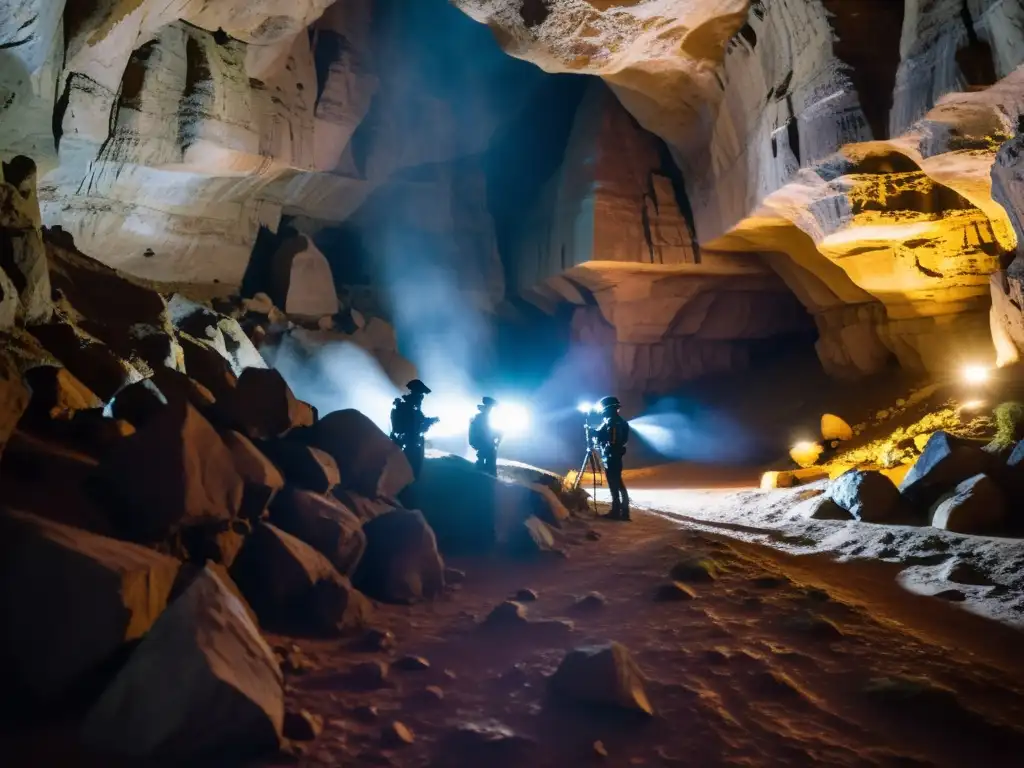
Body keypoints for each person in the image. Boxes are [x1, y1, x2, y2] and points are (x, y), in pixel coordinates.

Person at [389, 379, 438, 478]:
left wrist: (430, 420)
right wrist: (428, 422)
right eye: (420, 395)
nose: (421, 398)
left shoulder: (412, 407)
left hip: (410, 442)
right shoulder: (407, 407)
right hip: (408, 443)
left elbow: (420, 420)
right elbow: (413, 425)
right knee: (408, 470)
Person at [593, 395, 630, 521]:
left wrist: (596, 435)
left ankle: (616, 511)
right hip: (615, 456)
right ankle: (624, 512)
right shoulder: (620, 421)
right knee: (618, 483)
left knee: (614, 484)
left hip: (611, 457)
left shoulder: (612, 421)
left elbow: (612, 440)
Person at [469, 396, 501, 476]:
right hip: (483, 443)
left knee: (489, 458)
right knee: (489, 459)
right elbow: (483, 431)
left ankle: (485, 473)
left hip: (483, 443)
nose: (491, 409)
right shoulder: (481, 417)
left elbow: (486, 430)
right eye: (490, 407)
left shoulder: (482, 417)